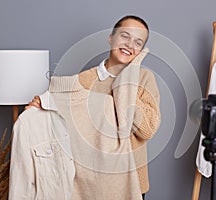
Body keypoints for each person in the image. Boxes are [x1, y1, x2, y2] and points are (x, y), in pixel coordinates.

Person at [27, 15, 161, 200]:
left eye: (138, 42)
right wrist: (42, 106)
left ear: (141, 50)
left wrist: (125, 82)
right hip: (87, 182)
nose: (130, 45)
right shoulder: (82, 81)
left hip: (132, 182)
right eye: (125, 36)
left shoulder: (144, 79)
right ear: (111, 38)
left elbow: (148, 129)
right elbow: (64, 119)